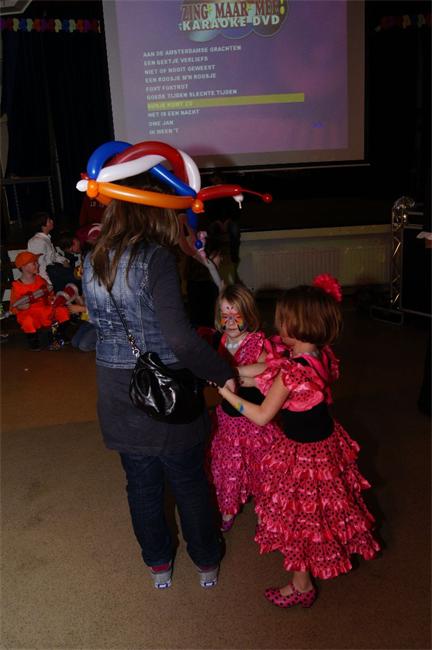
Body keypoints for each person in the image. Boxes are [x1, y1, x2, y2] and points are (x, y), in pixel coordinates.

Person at [82, 173, 235, 590]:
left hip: (116, 388)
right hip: (166, 389)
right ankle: (206, 561)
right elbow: (181, 340)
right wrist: (223, 373)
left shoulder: (92, 259)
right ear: (155, 214)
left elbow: (98, 323)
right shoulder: (157, 259)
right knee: (188, 480)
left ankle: (158, 565)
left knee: (141, 485)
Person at [218, 275, 381, 608]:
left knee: (297, 517)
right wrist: (235, 372)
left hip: (303, 456)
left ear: (297, 326)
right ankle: (302, 579)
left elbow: (262, 415)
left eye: (283, 320)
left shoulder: (292, 372)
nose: (278, 326)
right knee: (313, 513)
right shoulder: (319, 354)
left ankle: (301, 585)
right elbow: (267, 370)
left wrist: (225, 392)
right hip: (324, 445)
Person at [206, 284, 282, 531]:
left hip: (254, 422)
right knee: (227, 468)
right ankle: (227, 510)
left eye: (235, 315)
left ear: (248, 316)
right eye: (224, 314)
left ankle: (264, 514)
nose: (229, 321)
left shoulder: (256, 341)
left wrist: (231, 371)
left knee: (261, 470)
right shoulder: (220, 340)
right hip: (227, 421)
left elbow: (267, 366)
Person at [10, 251, 70, 351]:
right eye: (34, 263)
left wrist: (52, 298)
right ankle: (32, 339)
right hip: (29, 312)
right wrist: (20, 307)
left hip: (44, 309)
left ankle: (59, 334)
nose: (37, 264)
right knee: (28, 321)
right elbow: (13, 306)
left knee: (62, 310)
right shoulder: (17, 286)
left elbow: (49, 294)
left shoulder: (39, 279)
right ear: (23, 267)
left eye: (37, 262)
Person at [27, 212, 77, 293]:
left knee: (75, 277)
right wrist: (49, 284)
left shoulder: (45, 238)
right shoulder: (37, 241)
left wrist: (64, 260)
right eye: (49, 220)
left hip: (53, 272)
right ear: (43, 225)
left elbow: (52, 255)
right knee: (74, 280)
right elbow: (40, 266)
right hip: (48, 276)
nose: (52, 221)